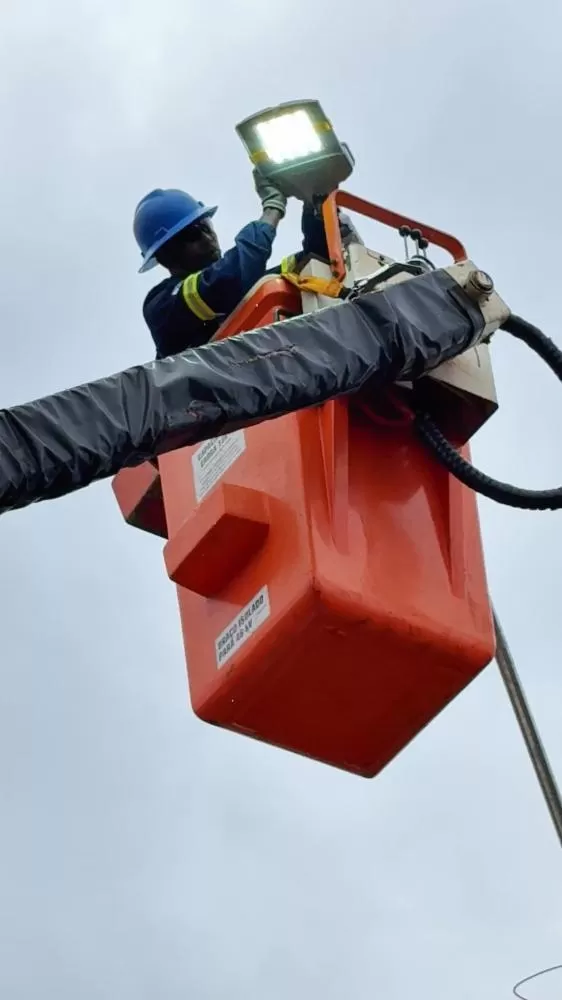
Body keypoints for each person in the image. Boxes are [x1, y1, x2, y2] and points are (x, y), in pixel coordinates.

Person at [133, 170, 357, 360]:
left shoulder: (249, 286)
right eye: (193, 234)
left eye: (206, 226)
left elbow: (314, 262)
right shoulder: (161, 306)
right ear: (165, 257)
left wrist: (314, 203)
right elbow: (229, 280)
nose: (208, 238)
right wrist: (272, 209)